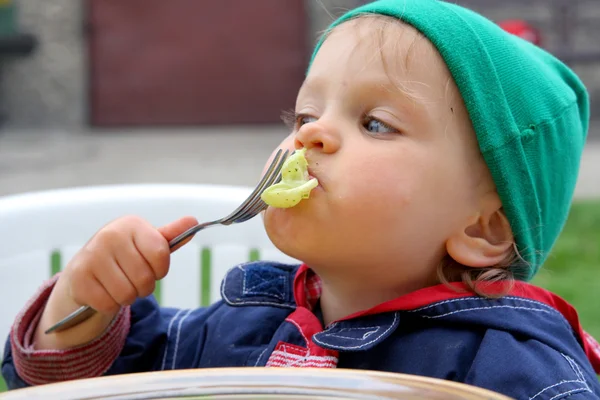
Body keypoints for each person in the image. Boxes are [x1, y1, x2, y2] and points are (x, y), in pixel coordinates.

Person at [3, 0, 600, 398]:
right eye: (307, 112)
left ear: (484, 229)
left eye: (376, 123)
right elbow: (76, 382)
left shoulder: (515, 370)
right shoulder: (239, 325)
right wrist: (82, 301)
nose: (308, 134)